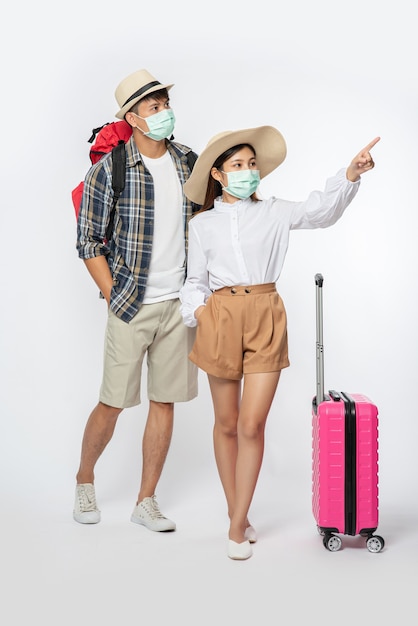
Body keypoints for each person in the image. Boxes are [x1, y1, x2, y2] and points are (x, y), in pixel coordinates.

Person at [179, 126, 380, 559]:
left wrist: (350, 173)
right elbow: (193, 281)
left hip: (266, 312)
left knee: (252, 425)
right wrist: (201, 313)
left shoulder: (273, 211)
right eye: (238, 165)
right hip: (220, 315)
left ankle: (235, 526)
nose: (248, 171)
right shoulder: (202, 224)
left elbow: (320, 211)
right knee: (226, 424)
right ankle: (241, 515)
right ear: (218, 173)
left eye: (252, 164)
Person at [74, 68, 199, 531]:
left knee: (163, 403)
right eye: (153, 106)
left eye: (165, 103)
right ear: (133, 117)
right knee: (113, 402)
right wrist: (113, 295)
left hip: (178, 306)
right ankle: (85, 480)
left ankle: (145, 500)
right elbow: (88, 240)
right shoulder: (112, 168)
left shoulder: (189, 161)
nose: (164, 111)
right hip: (130, 305)